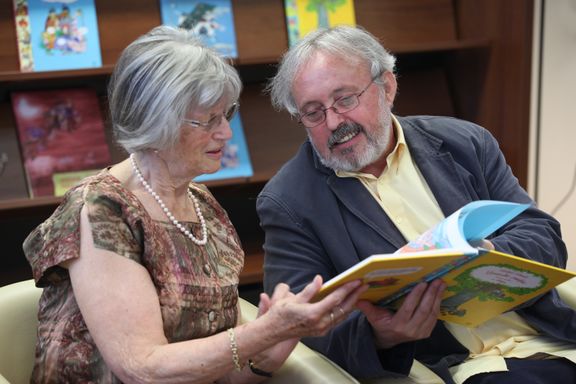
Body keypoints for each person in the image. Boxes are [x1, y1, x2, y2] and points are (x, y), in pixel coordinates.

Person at [23, 25, 367, 383]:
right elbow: (142, 368)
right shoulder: (100, 209)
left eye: (226, 114)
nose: (226, 133)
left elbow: (224, 369)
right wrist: (262, 333)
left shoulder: (202, 205)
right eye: (208, 120)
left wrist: (276, 342)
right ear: (156, 122)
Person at [257, 25, 576, 384]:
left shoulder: (465, 142)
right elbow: (302, 326)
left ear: (387, 87)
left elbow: (543, 235)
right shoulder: (289, 202)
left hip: (550, 339)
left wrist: (486, 255)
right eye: (313, 113)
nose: (333, 122)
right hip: (460, 365)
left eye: (345, 99)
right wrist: (384, 335)